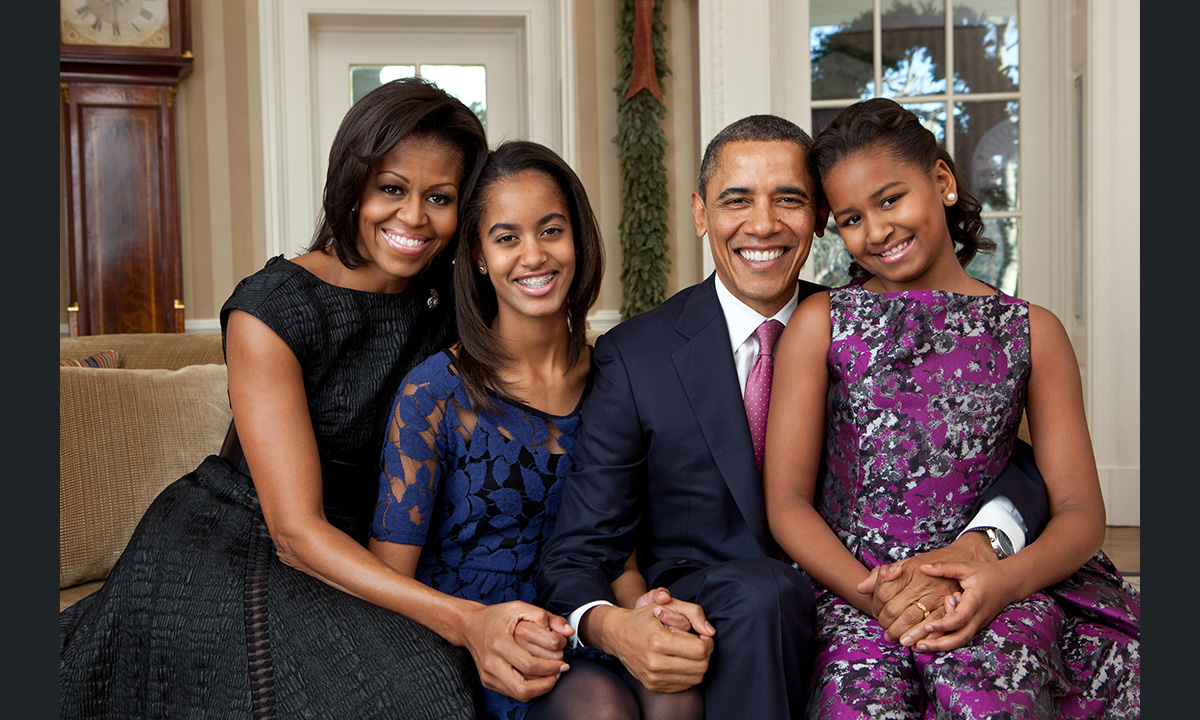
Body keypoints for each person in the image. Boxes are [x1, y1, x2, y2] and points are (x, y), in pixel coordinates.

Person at [535, 114, 1052, 719]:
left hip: (873, 586)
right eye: (737, 201)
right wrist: (617, 625)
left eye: (789, 200)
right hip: (727, 607)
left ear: (818, 220)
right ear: (701, 213)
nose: (763, 224)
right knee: (765, 592)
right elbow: (577, 551)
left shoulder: (868, 322)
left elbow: (990, 449)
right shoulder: (636, 356)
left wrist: (989, 537)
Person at [60, 78, 502, 718]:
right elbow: (295, 531)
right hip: (238, 543)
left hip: (373, 545)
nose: (413, 217)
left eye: (439, 197)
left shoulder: (450, 301)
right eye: (391, 189)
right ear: (352, 184)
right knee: (419, 689)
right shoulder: (273, 308)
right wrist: (464, 620)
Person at [763, 97, 1141, 718]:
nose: (877, 231)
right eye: (851, 218)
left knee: (989, 693)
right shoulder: (821, 323)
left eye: (890, 200)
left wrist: (1000, 584)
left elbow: (1080, 512)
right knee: (860, 700)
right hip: (857, 588)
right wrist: (880, 598)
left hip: (996, 587)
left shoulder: (1032, 331)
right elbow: (786, 504)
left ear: (941, 181)